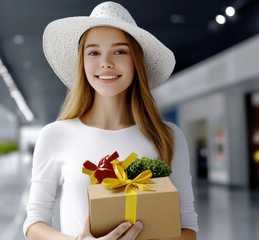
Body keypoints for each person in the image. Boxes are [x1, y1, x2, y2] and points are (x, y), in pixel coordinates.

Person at [24, 2, 198, 240]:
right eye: (93, 52)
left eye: (119, 51)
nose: (105, 62)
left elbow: (187, 225)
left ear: (136, 61)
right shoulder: (55, 135)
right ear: (82, 63)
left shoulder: (167, 136)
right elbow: (34, 223)